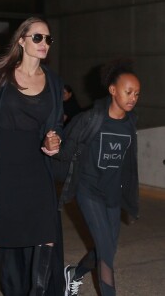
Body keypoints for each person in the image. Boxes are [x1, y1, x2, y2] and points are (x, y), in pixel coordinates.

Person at [0, 17, 64, 295]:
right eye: (37, 38)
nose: (44, 44)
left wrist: (54, 141)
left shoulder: (53, 80)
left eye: (48, 39)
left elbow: (56, 125)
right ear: (21, 40)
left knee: (46, 233)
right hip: (2, 165)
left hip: (36, 166)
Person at [60, 59, 140, 296]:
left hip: (112, 194)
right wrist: (52, 145)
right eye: (128, 91)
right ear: (113, 90)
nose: (133, 97)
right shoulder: (91, 119)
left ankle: (74, 273)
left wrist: (129, 196)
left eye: (137, 93)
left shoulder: (130, 123)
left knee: (106, 249)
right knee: (106, 256)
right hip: (89, 191)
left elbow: (128, 164)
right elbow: (66, 148)